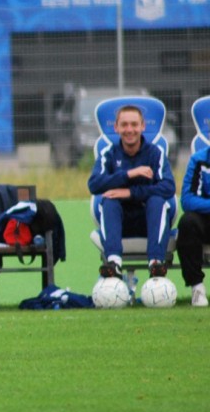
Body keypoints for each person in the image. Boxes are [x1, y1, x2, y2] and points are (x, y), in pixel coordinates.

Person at [87, 104, 176, 281]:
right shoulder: (108, 154)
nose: (129, 130)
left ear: (142, 126)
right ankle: (113, 264)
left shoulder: (155, 154)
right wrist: (129, 174)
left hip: (149, 221)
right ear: (116, 127)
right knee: (109, 202)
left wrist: (130, 193)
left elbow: (168, 187)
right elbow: (94, 184)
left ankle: (156, 264)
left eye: (134, 124)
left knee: (157, 201)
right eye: (124, 124)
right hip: (119, 224)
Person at [175, 147, 210, 306]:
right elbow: (187, 200)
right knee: (187, 223)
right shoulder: (199, 159)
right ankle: (197, 287)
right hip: (205, 219)